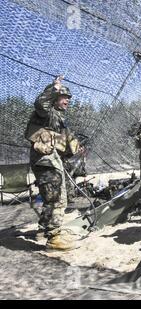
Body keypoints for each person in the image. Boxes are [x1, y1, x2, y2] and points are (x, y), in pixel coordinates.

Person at [25, 75, 81, 250]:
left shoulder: (58, 119)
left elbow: (65, 143)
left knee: (51, 198)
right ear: (55, 99)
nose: (67, 101)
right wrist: (55, 87)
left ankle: (44, 230)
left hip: (51, 161)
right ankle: (54, 238)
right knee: (57, 199)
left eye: (68, 99)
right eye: (64, 98)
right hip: (45, 161)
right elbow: (41, 103)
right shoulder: (46, 112)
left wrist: (75, 147)